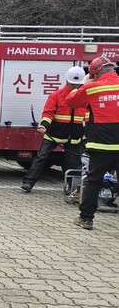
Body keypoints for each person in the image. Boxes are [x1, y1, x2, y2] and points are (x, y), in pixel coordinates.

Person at [65, 57, 119, 230]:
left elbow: (71, 101)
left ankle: (86, 219)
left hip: (101, 144)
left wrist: (84, 83)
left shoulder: (92, 88)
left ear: (94, 73)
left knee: (93, 181)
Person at [21, 66, 87, 193]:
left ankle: (72, 189)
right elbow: (48, 112)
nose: (75, 86)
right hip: (54, 133)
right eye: (73, 84)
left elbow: (88, 115)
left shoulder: (84, 98)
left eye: (78, 84)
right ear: (67, 81)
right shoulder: (56, 96)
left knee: (73, 163)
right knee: (41, 157)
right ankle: (28, 182)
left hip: (74, 135)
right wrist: (44, 124)